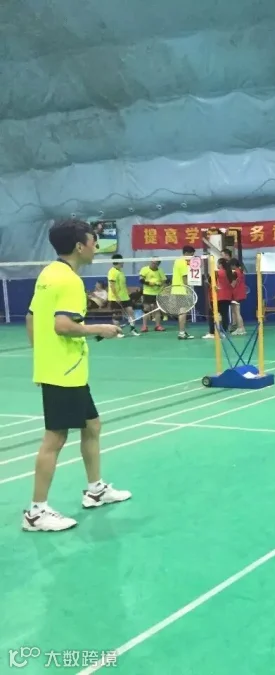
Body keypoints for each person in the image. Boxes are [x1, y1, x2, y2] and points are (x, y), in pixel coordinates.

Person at [23, 219, 132, 532]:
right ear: (79, 246)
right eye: (93, 242)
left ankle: (95, 489)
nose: (96, 248)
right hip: (65, 371)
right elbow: (63, 326)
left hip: (61, 368)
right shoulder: (69, 280)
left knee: (92, 425)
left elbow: (31, 318)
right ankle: (36, 513)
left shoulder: (49, 273)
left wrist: (44, 355)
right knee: (55, 438)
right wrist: (102, 328)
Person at [107, 254, 139, 336]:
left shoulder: (121, 271)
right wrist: (117, 297)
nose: (123, 262)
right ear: (118, 261)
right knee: (116, 316)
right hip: (115, 298)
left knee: (131, 312)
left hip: (125, 297)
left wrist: (128, 292)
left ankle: (133, 329)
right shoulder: (112, 272)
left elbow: (123, 284)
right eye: (122, 261)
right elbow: (112, 285)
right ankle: (118, 332)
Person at [138, 257, 167, 332]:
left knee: (157, 309)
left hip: (157, 293)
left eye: (155, 263)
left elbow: (164, 280)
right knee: (146, 309)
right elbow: (141, 280)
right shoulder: (144, 269)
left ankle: (157, 326)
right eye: (152, 262)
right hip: (147, 292)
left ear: (158, 264)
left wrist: (160, 284)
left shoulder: (160, 271)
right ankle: (144, 326)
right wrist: (149, 283)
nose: (153, 264)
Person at [172, 245, 195, 340]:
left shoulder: (177, 261)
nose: (192, 257)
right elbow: (185, 278)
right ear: (186, 253)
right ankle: (181, 333)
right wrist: (189, 290)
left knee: (182, 311)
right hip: (182, 289)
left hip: (177, 289)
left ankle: (182, 332)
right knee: (183, 311)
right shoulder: (182, 262)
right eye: (191, 255)